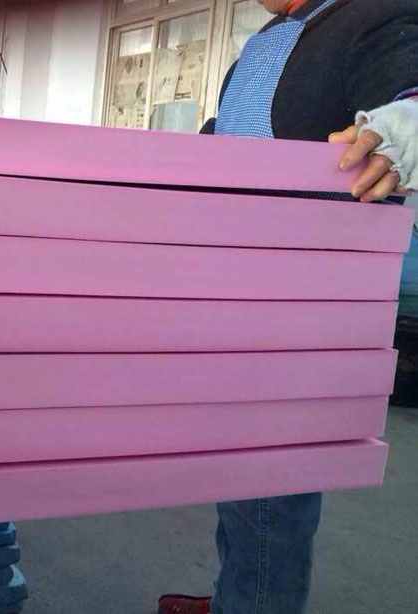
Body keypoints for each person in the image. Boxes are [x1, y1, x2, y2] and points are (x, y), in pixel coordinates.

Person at [158, 1, 418, 613]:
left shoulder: (375, 14)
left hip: (307, 306)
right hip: (241, 289)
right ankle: (238, 596)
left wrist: (408, 115)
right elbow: (235, 142)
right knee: (238, 466)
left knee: (274, 480)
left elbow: (405, 78)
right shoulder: (272, 37)